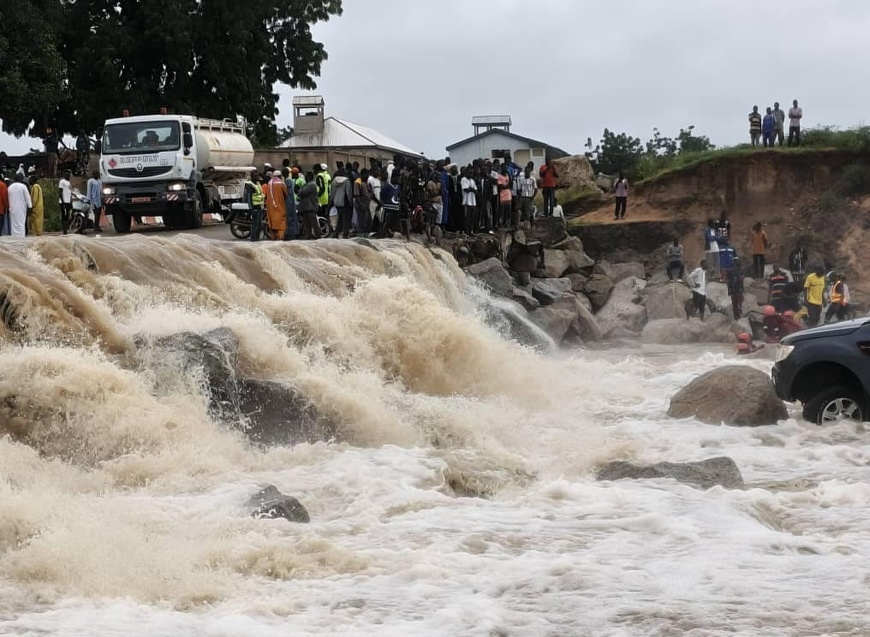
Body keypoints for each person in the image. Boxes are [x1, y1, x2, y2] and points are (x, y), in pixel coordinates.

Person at [263, 171, 288, 240]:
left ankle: (273, 239)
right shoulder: (281, 183)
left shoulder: (269, 182)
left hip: (270, 207)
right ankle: (280, 240)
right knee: (281, 224)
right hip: (279, 207)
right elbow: (286, 195)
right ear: (280, 176)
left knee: (272, 224)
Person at [329, 167, 353, 238]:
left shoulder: (334, 181)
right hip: (345, 203)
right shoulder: (347, 181)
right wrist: (351, 203)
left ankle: (336, 233)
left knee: (340, 219)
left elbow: (332, 193)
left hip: (336, 203)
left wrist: (331, 202)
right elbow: (349, 193)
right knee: (346, 220)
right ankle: (345, 234)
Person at [297, 171, 321, 240]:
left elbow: (301, 192)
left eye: (306, 176)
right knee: (307, 224)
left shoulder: (311, 185)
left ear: (309, 177)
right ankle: (309, 236)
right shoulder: (307, 184)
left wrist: (300, 189)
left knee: (314, 224)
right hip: (306, 208)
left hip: (310, 207)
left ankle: (318, 237)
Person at [244, 171, 265, 242]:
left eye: (257, 176)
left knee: (259, 225)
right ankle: (253, 239)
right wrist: (251, 208)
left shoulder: (258, 183)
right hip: (254, 207)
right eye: (255, 176)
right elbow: (249, 197)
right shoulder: (250, 185)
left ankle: (257, 238)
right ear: (252, 177)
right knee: (255, 225)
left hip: (260, 207)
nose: (257, 177)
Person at [353, 168, 373, 235]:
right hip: (361, 205)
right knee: (362, 222)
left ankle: (365, 234)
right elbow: (357, 196)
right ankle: (361, 235)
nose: (367, 177)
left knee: (368, 222)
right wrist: (362, 205)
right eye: (366, 175)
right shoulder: (358, 182)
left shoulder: (366, 182)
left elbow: (369, 192)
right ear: (362, 175)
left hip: (366, 205)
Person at [281, 167, 299, 240]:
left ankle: (291, 234)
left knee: (290, 219)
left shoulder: (288, 181)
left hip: (289, 202)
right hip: (290, 202)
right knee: (290, 218)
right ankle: (291, 233)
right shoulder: (288, 181)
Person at [461, 166, 478, 236]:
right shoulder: (463, 179)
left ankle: (471, 231)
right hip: (466, 202)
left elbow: (476, 190)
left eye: (472, 173)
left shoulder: (472, 181)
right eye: (470, 173)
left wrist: (471, 189)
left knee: (472, 218)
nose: (471, 174)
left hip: (473, 202)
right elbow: (466, 189)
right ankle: (466, 231)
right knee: (466, 218)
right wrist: (472, 189)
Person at [497, 164, 512, 228]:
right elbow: (501, 186)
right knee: (501, 212)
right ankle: (501, 224)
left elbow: (511, 185)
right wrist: (507, 186)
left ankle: (507, 223)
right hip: (502, 197)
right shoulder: (499, 176)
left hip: (508, 196)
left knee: (508, 212)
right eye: (504, 168)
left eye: (506, 168)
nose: (506, 170)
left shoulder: (508, 176)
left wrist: (509, 176)